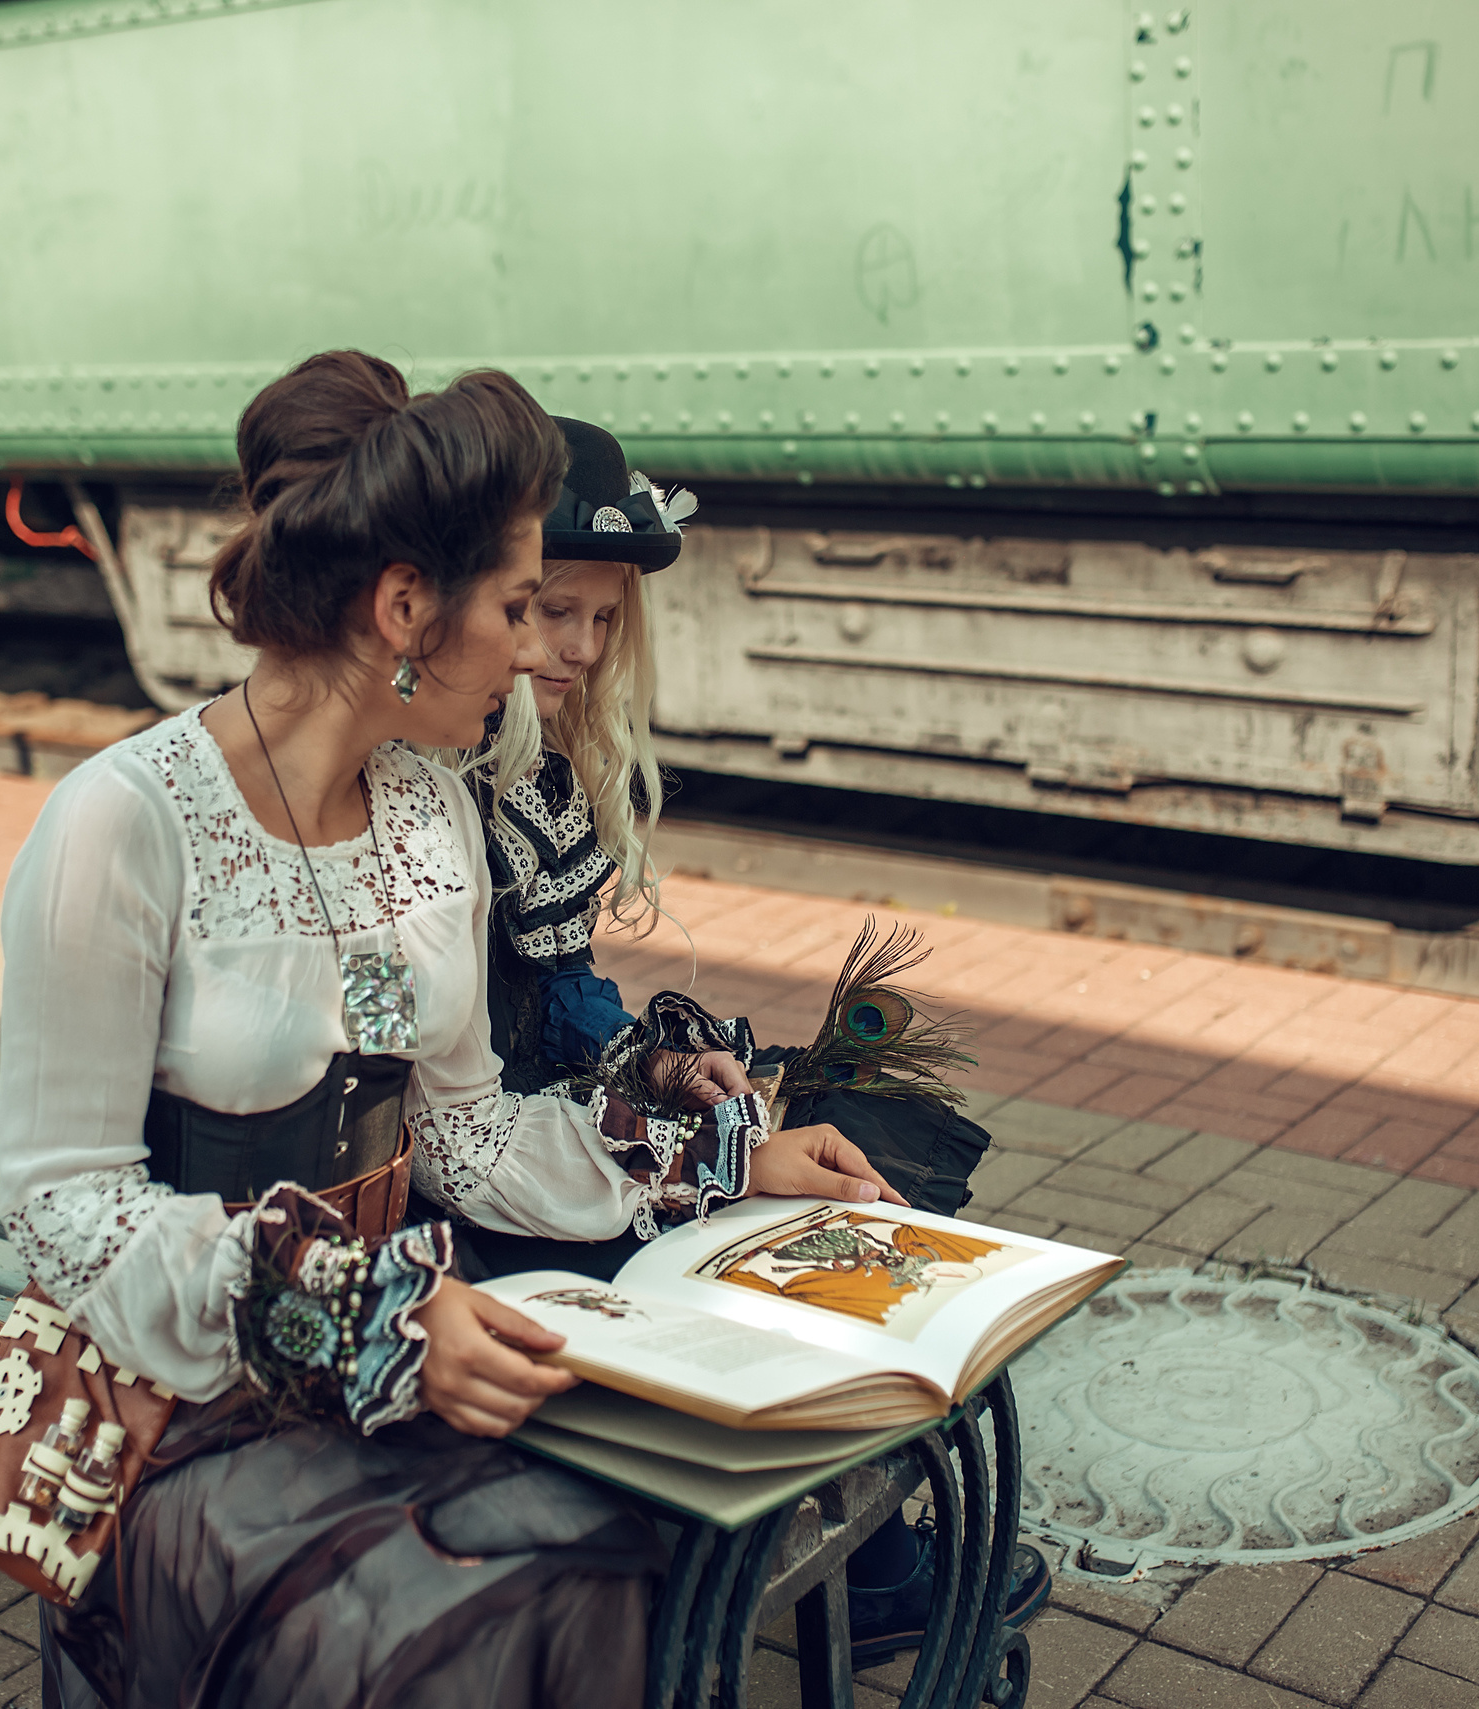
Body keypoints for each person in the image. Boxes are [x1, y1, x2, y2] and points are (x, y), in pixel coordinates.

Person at [0, 353, 903, 1708]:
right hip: (175, 1398)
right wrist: (369, 1315)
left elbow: (463, 1134)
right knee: (491, 1599)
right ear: (407, 606)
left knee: (604, 1545)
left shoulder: (431, 816)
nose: (544, 648)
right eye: (522, 606)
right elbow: (65, 1213)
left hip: (390, 1361)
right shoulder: (121, 825)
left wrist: (722, 1157)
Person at [446, 416, 1045, 1666]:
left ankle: (867, 1555)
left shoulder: (533, 774)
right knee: (760, 1222)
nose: (579, 646)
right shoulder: (436, 800)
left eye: (603, 620)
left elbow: (560, 991)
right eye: (552, 609)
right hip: (475, 1204)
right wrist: (702, 1150)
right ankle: (864, 1568)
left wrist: (655, 1069)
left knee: (829, 1155)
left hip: (542, 1142)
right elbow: (466, 1122)